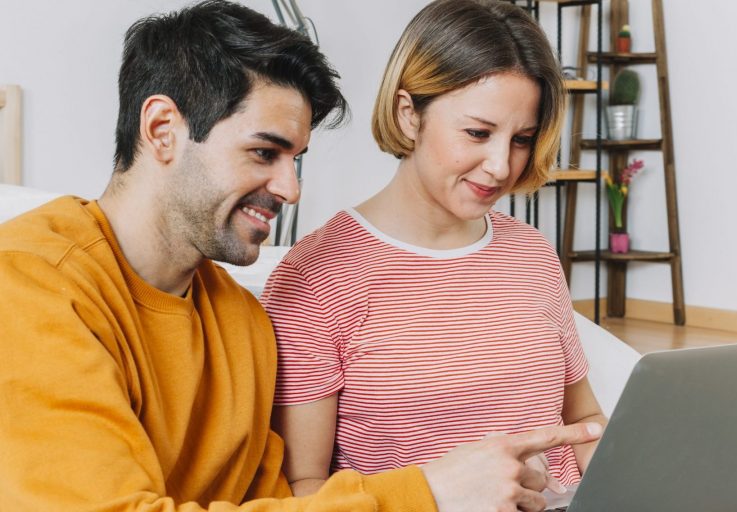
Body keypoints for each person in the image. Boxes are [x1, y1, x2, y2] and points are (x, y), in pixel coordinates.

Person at [0, 1, 601, 511]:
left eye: (296, 160)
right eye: (265, 153)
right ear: (162, 129)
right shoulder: (29, 284)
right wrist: (428, 493)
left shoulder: (240, 322)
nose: (291, 191)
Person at [262, 0, 608, 501]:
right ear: (409, 114)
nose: (498, 166)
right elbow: (304, 486)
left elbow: (583, 419)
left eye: (521, 139)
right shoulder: (316, 278)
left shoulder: (531, 253)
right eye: (478, 133)